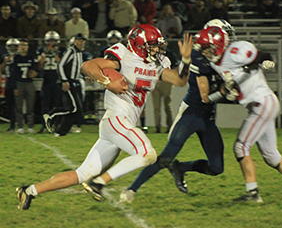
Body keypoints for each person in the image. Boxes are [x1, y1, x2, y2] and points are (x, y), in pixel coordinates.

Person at [15, 24, 193, 210]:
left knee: (83, 173)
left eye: (157, 45)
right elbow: (88, 66)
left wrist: (186, 60)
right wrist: (107, 82)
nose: (157, 49)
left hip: (121, 126)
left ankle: (29, 191)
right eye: (152, 45)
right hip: (116, 119)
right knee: (147, 154)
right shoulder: (123, 54)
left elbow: (180, 80)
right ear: (139, 45)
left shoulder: (158, 63)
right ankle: (99, 183)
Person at [118, 26, 230, 202]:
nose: (212, 52)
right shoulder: (199, 59)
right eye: (209, 48)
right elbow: (205, 96)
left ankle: (180, 168)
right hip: (191, 115)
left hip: (208, 119)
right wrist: (226, 92)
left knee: (217, 168)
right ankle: (132, 189)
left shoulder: (222, 61)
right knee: (165, 157)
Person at [207, 30, 282, 202]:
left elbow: (263, 55)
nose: (207, 51)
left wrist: (266, 61)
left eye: (209, 47)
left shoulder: (235, 51)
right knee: (270, 155)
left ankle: (252, 194)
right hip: (261, 104)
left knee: (241, 147)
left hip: (262, 103)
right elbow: (226, 88)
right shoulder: (217, 65)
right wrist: (228, 92)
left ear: (220, 43)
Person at [43, 33, 86, 137]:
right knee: (73, 108)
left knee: (75, 109)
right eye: (78, 40)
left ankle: (61, 132)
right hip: (69, 82)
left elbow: (76, 69)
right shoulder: (71, 51)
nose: (81, 42)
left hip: (74, 82)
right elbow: (61, 65)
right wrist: (64, 80)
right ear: (74, 41)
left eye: (82, 40)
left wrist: (84, 77)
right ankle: (51, 115)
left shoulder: (79, 53)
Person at [37, 31, 65, 133]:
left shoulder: (62, 50)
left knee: (57, 104)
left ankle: (55, 125)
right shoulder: (41, 50)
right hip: (46, 79)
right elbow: (39, 66)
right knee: (45, 104)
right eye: (49, 41)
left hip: (57, 79)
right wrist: (44, 55)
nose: (51, 43)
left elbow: (62, 64)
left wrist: (54, 54)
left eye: (53, 41)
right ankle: (45, 126)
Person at [11, 39, 38, 134]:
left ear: (27, 46)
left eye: (25, 45)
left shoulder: (31, 57)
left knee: (30, 106)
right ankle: (20, 126)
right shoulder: (15, 58)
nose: (23, 47)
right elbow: (12, 74)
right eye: (21, 45)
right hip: (19, 83)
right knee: (18, 106)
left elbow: (35, 70)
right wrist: (14, 87)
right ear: (18, 47)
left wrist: (34, 73)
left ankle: (30, 126)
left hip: (29, 83)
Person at [151, 48, 179, 133]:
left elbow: (176, 67)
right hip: (155, 80)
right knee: (156, 107)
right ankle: (158, 127)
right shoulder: (152, 54)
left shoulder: (170, 54)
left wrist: (172, 79)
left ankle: (170, 126)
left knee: (167, 105)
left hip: (166, 82)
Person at [0, 38, 19, 133]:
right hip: (8, 82)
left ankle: (21, 126)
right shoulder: (5, 56)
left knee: (19, 106)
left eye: (14, 46)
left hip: (19, 83)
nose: (12, 48)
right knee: (10, 105)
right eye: (11, 47)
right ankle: (12, 125)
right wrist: (5, 61)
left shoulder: (20, 56)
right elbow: (1, 69)